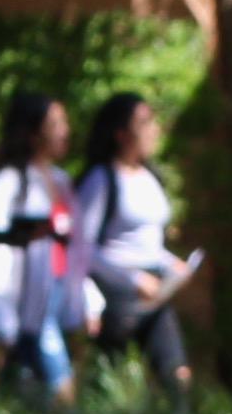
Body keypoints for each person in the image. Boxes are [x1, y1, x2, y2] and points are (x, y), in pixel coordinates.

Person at [68, 92, 203, 394]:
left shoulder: (149, 177)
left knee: (176, 374)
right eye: (144, 122)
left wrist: (171, 264)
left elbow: (148, 243)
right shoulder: (101, 180)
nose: (154, 129)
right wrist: (131, 279)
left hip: (155, 292)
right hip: (116, 297)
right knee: (107, 380)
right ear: (121, 134)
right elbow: (82, 247)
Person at [0, 91, 81, 403]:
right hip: (22, 306)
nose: (65, 131)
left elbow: (73, 248)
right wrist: (0, 317)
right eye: (56, 123)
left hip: (54, 296)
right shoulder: (6, 187)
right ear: (33, 134)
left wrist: (86, 296)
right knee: (61, 388)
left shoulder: (60, 181)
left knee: (21, 387)